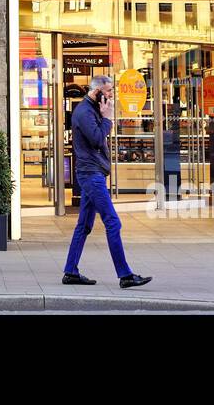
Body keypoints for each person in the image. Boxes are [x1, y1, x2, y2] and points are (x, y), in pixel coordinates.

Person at [61, 77, 152, 289]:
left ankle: (70, 271)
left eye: (112, 90)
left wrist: (103, 117)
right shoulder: (85, 112)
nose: (111, 95)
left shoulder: (91, 110)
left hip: (92, 173)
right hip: (91, 175)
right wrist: (108, 118)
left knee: (84, 225)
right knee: (113, 222)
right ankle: (125, 275)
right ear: (96, 92)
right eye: (108, 91)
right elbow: (96, 139)